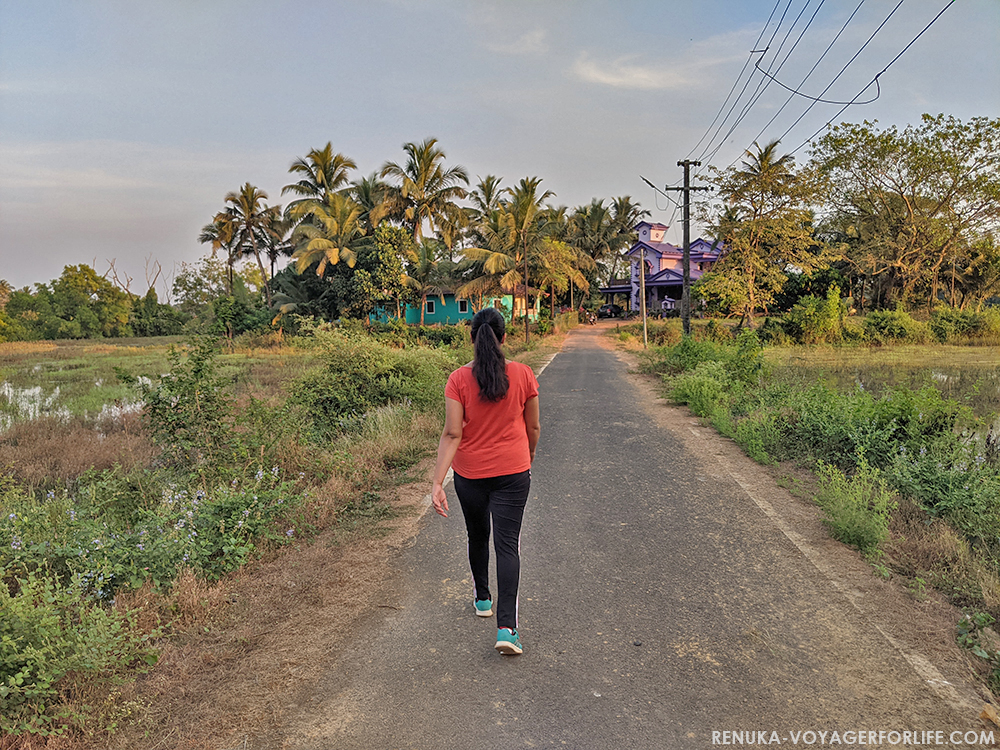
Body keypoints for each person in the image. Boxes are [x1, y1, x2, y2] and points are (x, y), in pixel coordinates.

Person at [431, 307, 540, 655]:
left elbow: (451, 434)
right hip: (513, 473)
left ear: (473, 340)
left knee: (477, 535)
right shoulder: (523, 374)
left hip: (470, 475)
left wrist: (437, 483)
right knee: (507, 545)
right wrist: (529, 456)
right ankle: (507, 629)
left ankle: (482, 598)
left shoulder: (457, 380)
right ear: (504, 337)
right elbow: (533, 427)